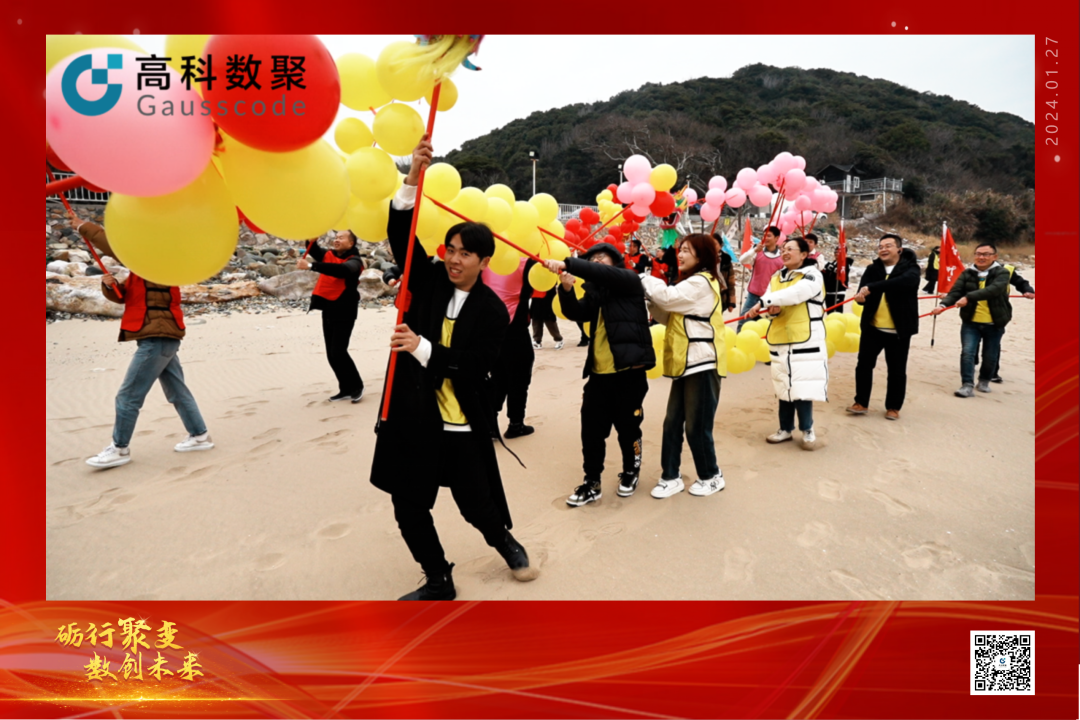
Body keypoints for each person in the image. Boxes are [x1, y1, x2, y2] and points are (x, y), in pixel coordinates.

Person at [370, 136, 538, 601]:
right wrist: (412, 178)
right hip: (414, 417)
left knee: (476, 506)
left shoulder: (492, 312)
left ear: (485, 262)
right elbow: (401, 236)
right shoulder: (429, 281)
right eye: (450, 249)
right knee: (408, 504)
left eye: (465, 253)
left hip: (460, 423)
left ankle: (504, 542)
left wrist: (422, 347)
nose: (454, 258)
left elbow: (476, 367)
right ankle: (438, 578)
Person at [67, 212, 213, 469]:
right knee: (177, 391)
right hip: (162, 336)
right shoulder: (151, 266)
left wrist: (82, 227)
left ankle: (119, 448)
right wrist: (110, 285)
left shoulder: (159, 261)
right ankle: (199, 435)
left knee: (128, 396)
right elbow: (127, 297)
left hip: (157, 337)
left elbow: (115, 247)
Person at [545, 243, 656, 506]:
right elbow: (576, 313)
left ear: (615, 261)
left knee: (628, 429)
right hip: (598, 375)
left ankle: (631, 472)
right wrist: (566, 289)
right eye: (592, 258)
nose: (595, 261)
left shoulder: (629, 281)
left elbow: (603, 274)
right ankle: (592, 482)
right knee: (591, 431)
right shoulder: (596, 292)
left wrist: (568, 262)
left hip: (628, 373)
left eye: (601, 257)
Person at [640, 234, 728, 499]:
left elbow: (668, 298)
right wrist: (651, 301)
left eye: (687, 250)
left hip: (702, 363)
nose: (680, 254)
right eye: (680, 250)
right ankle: (671, 476)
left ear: (702, 256)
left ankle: (711, 476)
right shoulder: (691, 282)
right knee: (672, 423)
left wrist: (643, 278)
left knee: (696, 426)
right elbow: (669, 315)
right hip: (685, 363)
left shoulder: (702, 281)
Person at [745, 237, 828, 450]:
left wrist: (764, 302)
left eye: (790, 249)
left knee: (802, 386)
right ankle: (785, 429)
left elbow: (796, 294)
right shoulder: (776, 277)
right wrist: (770, 312)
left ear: (804, 254)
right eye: (783, 249)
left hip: (805, 340)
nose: (785, 252)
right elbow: (770, 306)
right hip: (780, 338)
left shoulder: (812, 275)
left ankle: (807, 429)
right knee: (783, 386)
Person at [846, 234, 920, 421]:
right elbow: (862, 293)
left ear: (899, 249)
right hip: (872, 328)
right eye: (880, 247)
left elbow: (904, 283)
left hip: (899, 330)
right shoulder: (872, 269)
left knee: (896, 371)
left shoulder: (911, 268)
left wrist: (872, 287)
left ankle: (893, 407)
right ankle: (861, 402)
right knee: (863, 366)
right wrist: (861, 298)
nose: (883, 249)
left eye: (888, 246)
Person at [933, 242, 1013, 398]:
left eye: (986, 254)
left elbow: (994, 290)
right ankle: (967, 385)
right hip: (970, 322)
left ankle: (984, 381)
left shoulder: (1002, 273)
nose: (981, 257)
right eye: (978, 254)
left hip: (994, 323)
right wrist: (943, 305)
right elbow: (956, 292)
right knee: (967, 353)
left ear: (994, 257)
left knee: (990, 355)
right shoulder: (967, 273)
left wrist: (968, 297)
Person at [297, 231, 366, 403]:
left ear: (351, 243)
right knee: (331, 353)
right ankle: (345, 389)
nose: (336, 240)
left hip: (345, 309)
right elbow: (313, 249)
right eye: (335, 237)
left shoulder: (355, 260)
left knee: (339, 351)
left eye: (341, 238)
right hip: (328, 308)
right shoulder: (328, 255)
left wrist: (311, 266)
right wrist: (311, 239)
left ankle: (357, 386)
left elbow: (342, 270)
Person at [485, 257, 538, 439]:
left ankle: (490, 426)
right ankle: (516, 424)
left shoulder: (486, 260)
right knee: (519, 379)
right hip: (515, 329)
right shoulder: (526, 262)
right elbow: (537, 288)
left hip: (489, 329)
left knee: (497, 378)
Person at [988, 267, 1035, 383]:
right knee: (972, 345)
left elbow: (1021, 282)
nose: (983, 258)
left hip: (998, 314)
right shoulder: (973, 270)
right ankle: (972, 363)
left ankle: (992, 372)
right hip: (974, 313)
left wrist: (1027, 290)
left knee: (993, 345)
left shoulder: (1007, 270)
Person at [737, 226, 785, 330]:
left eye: (769, 236)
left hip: (769, 298)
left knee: (765, 326)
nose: (765, 238)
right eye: (764, 235)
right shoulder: (757, 251)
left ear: (777, 238)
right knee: (743, 323)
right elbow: (742, 261)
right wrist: (754, 250)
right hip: (753, 296)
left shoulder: (782, 257)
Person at [821, 249, 853, 314]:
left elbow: (842, 271)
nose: (836, 253)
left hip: (838, 291)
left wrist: (833, 269)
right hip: (828, 291)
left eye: (839, 252)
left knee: (837, 312)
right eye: (835, 252)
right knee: (829, 312)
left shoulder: (845, 264)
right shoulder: (831, 264)